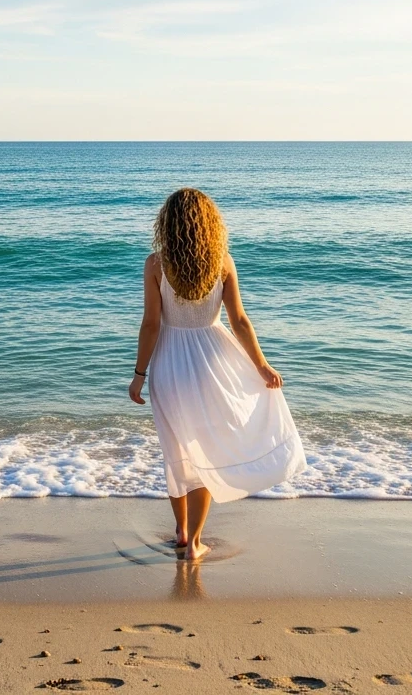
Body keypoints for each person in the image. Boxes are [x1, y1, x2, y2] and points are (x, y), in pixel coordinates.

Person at [129, 188, 307, 561]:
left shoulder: (156, 265)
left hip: (169, 364)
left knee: (175, 452)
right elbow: (239, 321)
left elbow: (151, 324)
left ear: (168, 223)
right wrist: (261, 365)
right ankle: (195, 542)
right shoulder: (222, 263)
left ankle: (180, 532)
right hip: (212, 360)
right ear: (210, 223)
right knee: (203, 452)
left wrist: (139, 374)